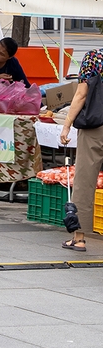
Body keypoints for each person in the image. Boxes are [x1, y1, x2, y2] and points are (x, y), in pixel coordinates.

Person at [59, 49, 103, 252]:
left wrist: (67, 123)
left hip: (96, 126)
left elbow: (82, 94)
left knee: (85, 180)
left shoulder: (94, 57)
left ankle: (79, 237)